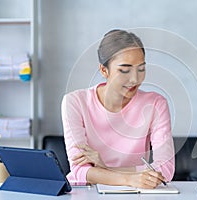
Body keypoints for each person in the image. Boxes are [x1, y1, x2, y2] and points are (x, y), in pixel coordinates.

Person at [61, 29, 175, 189]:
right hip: (87, 193)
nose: (135, 79)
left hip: (136, 193)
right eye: (124, 70)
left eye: (141, 69)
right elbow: (80, 171)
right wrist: (130, 179)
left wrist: (103, 169)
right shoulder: (75, 102)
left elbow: (165, 169)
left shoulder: (156, 104)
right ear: (104, 70)